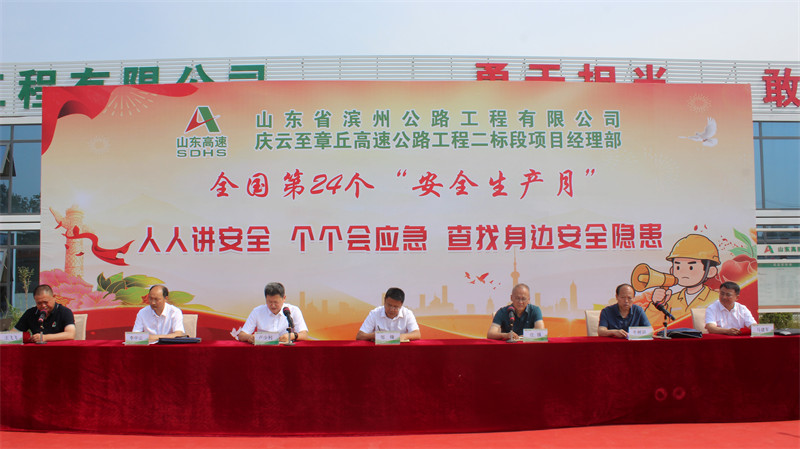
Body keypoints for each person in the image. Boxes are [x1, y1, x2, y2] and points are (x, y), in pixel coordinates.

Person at [238, 282, 308, 343]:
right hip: (263, 349)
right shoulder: (257, 311)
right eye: (269, 302)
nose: (273, 305)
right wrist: (250, 337)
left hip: (286, 350)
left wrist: (292, 336)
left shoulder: (293, 310)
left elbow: (304, 335)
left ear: (284, 298)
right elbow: (241, 335)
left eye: (276, 302)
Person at [356, 287, 421, 341]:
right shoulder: (375, 313)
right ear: (384, 301)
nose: (391, 309)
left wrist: (402, 336)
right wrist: (375, 335)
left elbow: (417, 334)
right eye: (389, 305)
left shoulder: (407, 314)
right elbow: (360, 336)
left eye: (396, 307)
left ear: (401, 305)